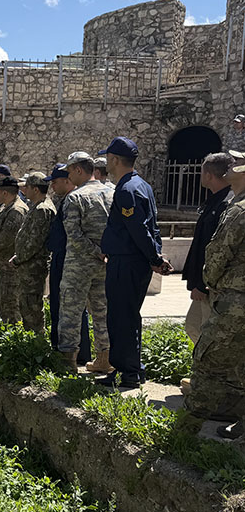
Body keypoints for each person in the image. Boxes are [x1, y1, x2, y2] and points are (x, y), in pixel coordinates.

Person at [98, 137, 172, 388]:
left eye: (108, 158)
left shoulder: (127, 190)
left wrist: (154, 257)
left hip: (126, 263)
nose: (106, 162)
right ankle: (133, 369)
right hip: (133, 261)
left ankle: (126, 372)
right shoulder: (142, 185)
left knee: (121, 317)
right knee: (129, 316)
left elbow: (139, 229)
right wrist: (155, 256)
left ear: (115, 160)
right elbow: (153, 227)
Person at [185, 148, 245, 429]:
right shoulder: (231, 203)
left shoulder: (237, 210)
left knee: (208, 357)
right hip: (229, 294)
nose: (232, 165)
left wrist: (207, 282)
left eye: (238, 162)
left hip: (231, 297)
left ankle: (189, 426)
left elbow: (219, 254)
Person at [58, 151, 113, 373]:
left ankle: (67, 362)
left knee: (70, 312)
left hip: (79, 264)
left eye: (70, 171)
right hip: (106, 263)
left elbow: (73, 234)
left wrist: (95, 252)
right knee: (102, 312)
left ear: (79, 170)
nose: (68, 176)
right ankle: (104, 358)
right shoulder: (112, 192)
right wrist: (105, 253)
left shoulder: (75, 197)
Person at [181, 153, 233, 348]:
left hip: (211, 284)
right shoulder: (215, 200)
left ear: (209, 175)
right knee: (194, 326)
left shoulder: (225, 204)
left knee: (205, 331)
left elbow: (215, 249)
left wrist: (202, 284)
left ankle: (213, 366)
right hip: (205, 281)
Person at [46, 164, 92, 363]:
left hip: (69, 259)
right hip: (61, 257)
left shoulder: (73, 200)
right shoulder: (65, 200)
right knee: (59, 305)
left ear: (67, 180)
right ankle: (63, 349)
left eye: (55, 182)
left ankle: (75, 354)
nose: (52, 186)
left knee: (71, 308)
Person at [9, 172, 56, 334]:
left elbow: (35, 242)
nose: (24, 190)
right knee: (27, 304)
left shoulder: (42, 209)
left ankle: (36, 339)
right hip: (28, 264)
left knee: (32, 306)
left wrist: (19, 259)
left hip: (33, 266)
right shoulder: (37, 206)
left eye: (27, 187)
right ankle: (31, 337)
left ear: (36, 189)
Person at [0, 176, 28, 324]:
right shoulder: (5, 207)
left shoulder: (16, 210)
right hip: (2, 265)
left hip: (10, 267)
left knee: (11, 305)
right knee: (3, 301)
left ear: (5, 193)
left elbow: (6, 238)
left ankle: (14, 333)